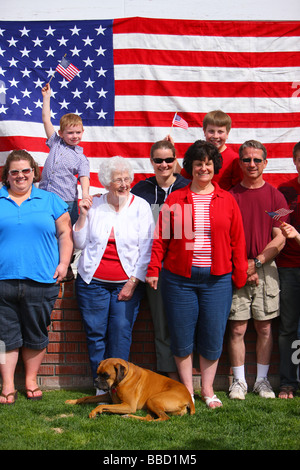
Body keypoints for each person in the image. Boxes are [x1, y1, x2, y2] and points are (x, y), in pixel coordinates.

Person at [146, 140, 248, 408]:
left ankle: (208, 390)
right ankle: (187, 391)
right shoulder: (177, 198)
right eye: (198, 163)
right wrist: (154, 268)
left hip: (217, 280)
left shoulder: (227, 200)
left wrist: (239, 276)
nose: (204, 168)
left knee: (213, 335)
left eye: (208, 163)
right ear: (190, 167)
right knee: (181, 336)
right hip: (180, 280)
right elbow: (162, 238)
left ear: (215, 167)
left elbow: (238, 242)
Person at [73, 156, 154, 388]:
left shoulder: (140, 206)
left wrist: (133, 282)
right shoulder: (95, 203)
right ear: (107, 182)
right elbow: (79, 242)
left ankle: (119, 388)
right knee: (95, 335)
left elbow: (147, 249)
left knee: (120, 334)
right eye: (118, 179)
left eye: (127, 179)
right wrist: (83, 215)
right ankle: (101, 387)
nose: (124, 184)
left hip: (126, 283)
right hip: (92, 283)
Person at [0, 150, 73, 404]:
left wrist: (64, 264)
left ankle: (31, 380)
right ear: (7, 176)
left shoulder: (50, 200)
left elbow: (65, 234)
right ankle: (7, 384)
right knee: (2, 336)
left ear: (34, 172)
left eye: (25, 171)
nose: (20, 176)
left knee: (36, 331)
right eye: (14, 172)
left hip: (42, 280)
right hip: (2, 281)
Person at [228, 140, 289, 400]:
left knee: (265, 327)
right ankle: (239, 382)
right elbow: (224, 235)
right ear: (240, 162)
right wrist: (244, 264)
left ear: (265, 162)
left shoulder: (277, 197)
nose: (251, 164)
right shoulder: (229, 195)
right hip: (235, 265)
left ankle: (262, 381)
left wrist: (257, 262)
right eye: (246, 159)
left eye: (256, 160)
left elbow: (280, 237)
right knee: (237, 328)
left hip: (266, 268)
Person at [131, 140, 189, 379]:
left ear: (176, 160)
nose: (164, 164)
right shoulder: (140, 190)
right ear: (151, 161)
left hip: (185, 266)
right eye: (158, 160)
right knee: (162, 323)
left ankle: (188, 373)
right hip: (154, 267)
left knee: (185, 321)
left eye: (168, 160)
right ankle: (168, 374)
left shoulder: (189, 186)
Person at [40, 83, 92, 280]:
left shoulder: (80, 156)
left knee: (66, 234)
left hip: (66, 201)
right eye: (70, 133)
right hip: (45, 197)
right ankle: (48, 261)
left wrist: (85, 195)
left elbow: (84, 177)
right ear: (61, 133)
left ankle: (67, 266)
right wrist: (47, 98)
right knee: (46, 230)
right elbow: (46, 119)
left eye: (78, 132)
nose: (74, 136)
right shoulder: (55, 142)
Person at [276, 141, 300, 399]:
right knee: (288, 328)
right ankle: (288, 382)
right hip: (290, 268)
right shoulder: (286, 191)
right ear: (295, 161)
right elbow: (278, 221)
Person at [175, 110, 242, 190]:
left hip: (221, 200)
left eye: (220, 132)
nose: (215, 136)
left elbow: (238, 189)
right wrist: (171, 153)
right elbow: (183, 177)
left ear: (227, 133)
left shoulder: (234, 159)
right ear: (204, 131)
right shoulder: (196, 153)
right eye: (211, 131)